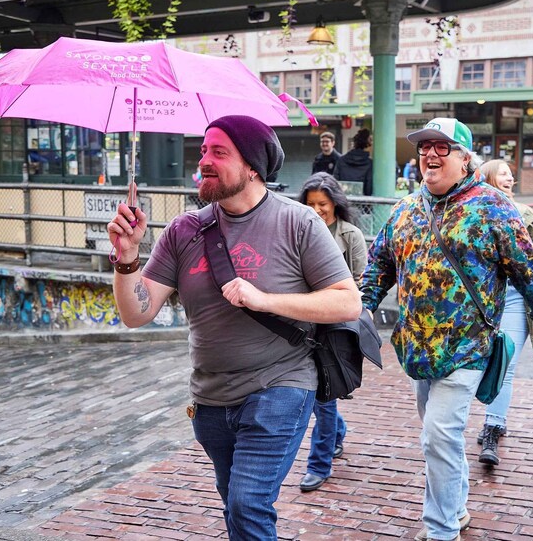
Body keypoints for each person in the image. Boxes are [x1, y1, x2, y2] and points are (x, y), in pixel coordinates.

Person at [105, 115, 362, 540]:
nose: (204, 160)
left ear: (253, 166)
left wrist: (265, 300)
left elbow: (347, 300)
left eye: (219, 152)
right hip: (210, 400)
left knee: (247, 504)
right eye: (203, 151)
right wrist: (128, 256)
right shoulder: (184, 230)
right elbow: (138, 313)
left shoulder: (298, 223)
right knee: (236, 505)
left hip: (281, 385)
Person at [361, 118, 533, 541]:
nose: (430, 154)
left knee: (438, 435)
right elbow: (379, 264)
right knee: (440, 439)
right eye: (424, 147)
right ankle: (457, 507)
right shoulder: (406, 208)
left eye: (442, 147)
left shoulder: (494, 205)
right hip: (417, 348)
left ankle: (441, 530)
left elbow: (531, 273)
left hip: (470, 346)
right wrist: (358, 309)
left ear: (465, 156)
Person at [296, 172, 368, 492]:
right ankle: (336, 431)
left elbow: (358, 283)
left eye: (322, 204)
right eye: (310, 204)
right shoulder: (298, 230)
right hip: (299, 321)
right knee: (316, 395)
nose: (316, 209)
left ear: (335, 204)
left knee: (324, 394)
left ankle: (319, 463)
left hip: (334, 325)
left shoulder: (350, 236)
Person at [475, 159, 533, 466]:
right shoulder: (472, 214)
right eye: (502, 172)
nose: (509, 177)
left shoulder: (528, 217)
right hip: (480, 301)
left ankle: (493, 425)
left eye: (510, 174)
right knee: (473, 365)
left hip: (516, 299)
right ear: (487, 178)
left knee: (506, 364)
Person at [334, 128, 373, 196]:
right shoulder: (370, 163)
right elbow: (368, 187)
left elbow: (335, 181)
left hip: (344, 200)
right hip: (362, 202)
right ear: (368, 144)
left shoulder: (341, 160)